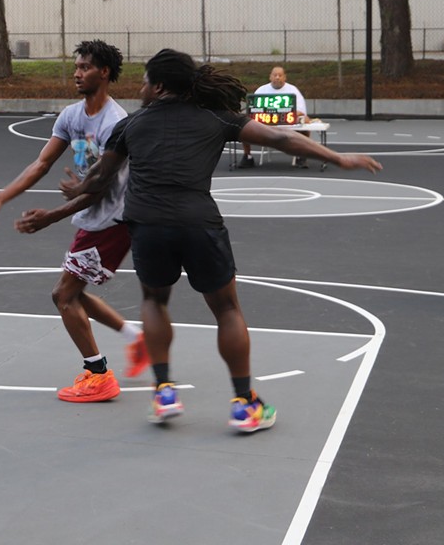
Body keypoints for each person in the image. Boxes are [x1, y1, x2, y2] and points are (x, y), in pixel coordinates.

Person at [62, 49, 381, 433]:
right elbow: (280, 138)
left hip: (147, 224)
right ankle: (244, 403)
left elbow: (100, 177)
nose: (141, 87)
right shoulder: (215, 118)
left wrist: (76, 187)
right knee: (227, 309)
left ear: (159, 85)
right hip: (198, 223)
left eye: (145, 80)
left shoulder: (132, 125)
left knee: (153, 300)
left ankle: (164, 392)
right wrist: (339, 159)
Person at [0, 41, 147, 403]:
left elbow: (98, 190)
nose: (77, 73)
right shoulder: (71, 116)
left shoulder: (116, 123)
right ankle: (136, 340)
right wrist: (1, 197)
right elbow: (41, 164)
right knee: (75, 292)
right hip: (91, 217)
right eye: (76, 67)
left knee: (63, 295)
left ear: (105, 73)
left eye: (85, 67)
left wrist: (50, 217)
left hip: (113, 220)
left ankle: (99, 375)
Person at [238, 64, 310, 168]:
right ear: (270, 77)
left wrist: (282, 114)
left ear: (285, 77)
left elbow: (301, 111)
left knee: (306, 127)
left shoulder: (293, 90)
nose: (277, 77)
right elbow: (252, 110)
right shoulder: (261, 90)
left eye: (280, 75)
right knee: (244, 126)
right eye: (275, 75)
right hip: (265, 126)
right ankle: (247, 156)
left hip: (288, 125)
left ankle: (301, 156)